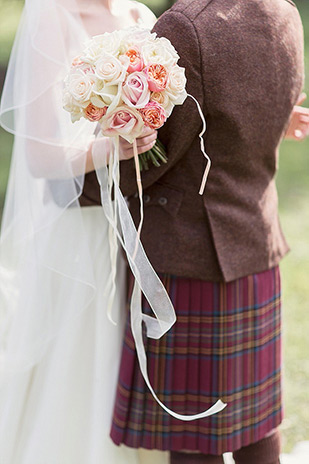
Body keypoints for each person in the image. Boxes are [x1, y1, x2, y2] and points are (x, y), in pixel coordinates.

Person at [102, 1, 306, 463]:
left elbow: (159, 155)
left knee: (195, 442)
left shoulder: (184, 26)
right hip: (256, 240)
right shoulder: (284, 12)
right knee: (258, 428)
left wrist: (79, 184)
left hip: (190, 260)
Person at [0, 1, 160, 463]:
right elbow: (40, 158)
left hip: (145, 226)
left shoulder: (143, 18)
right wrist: (112, 147)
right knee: (83, 361)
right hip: (79, 235)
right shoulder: (51, 15)